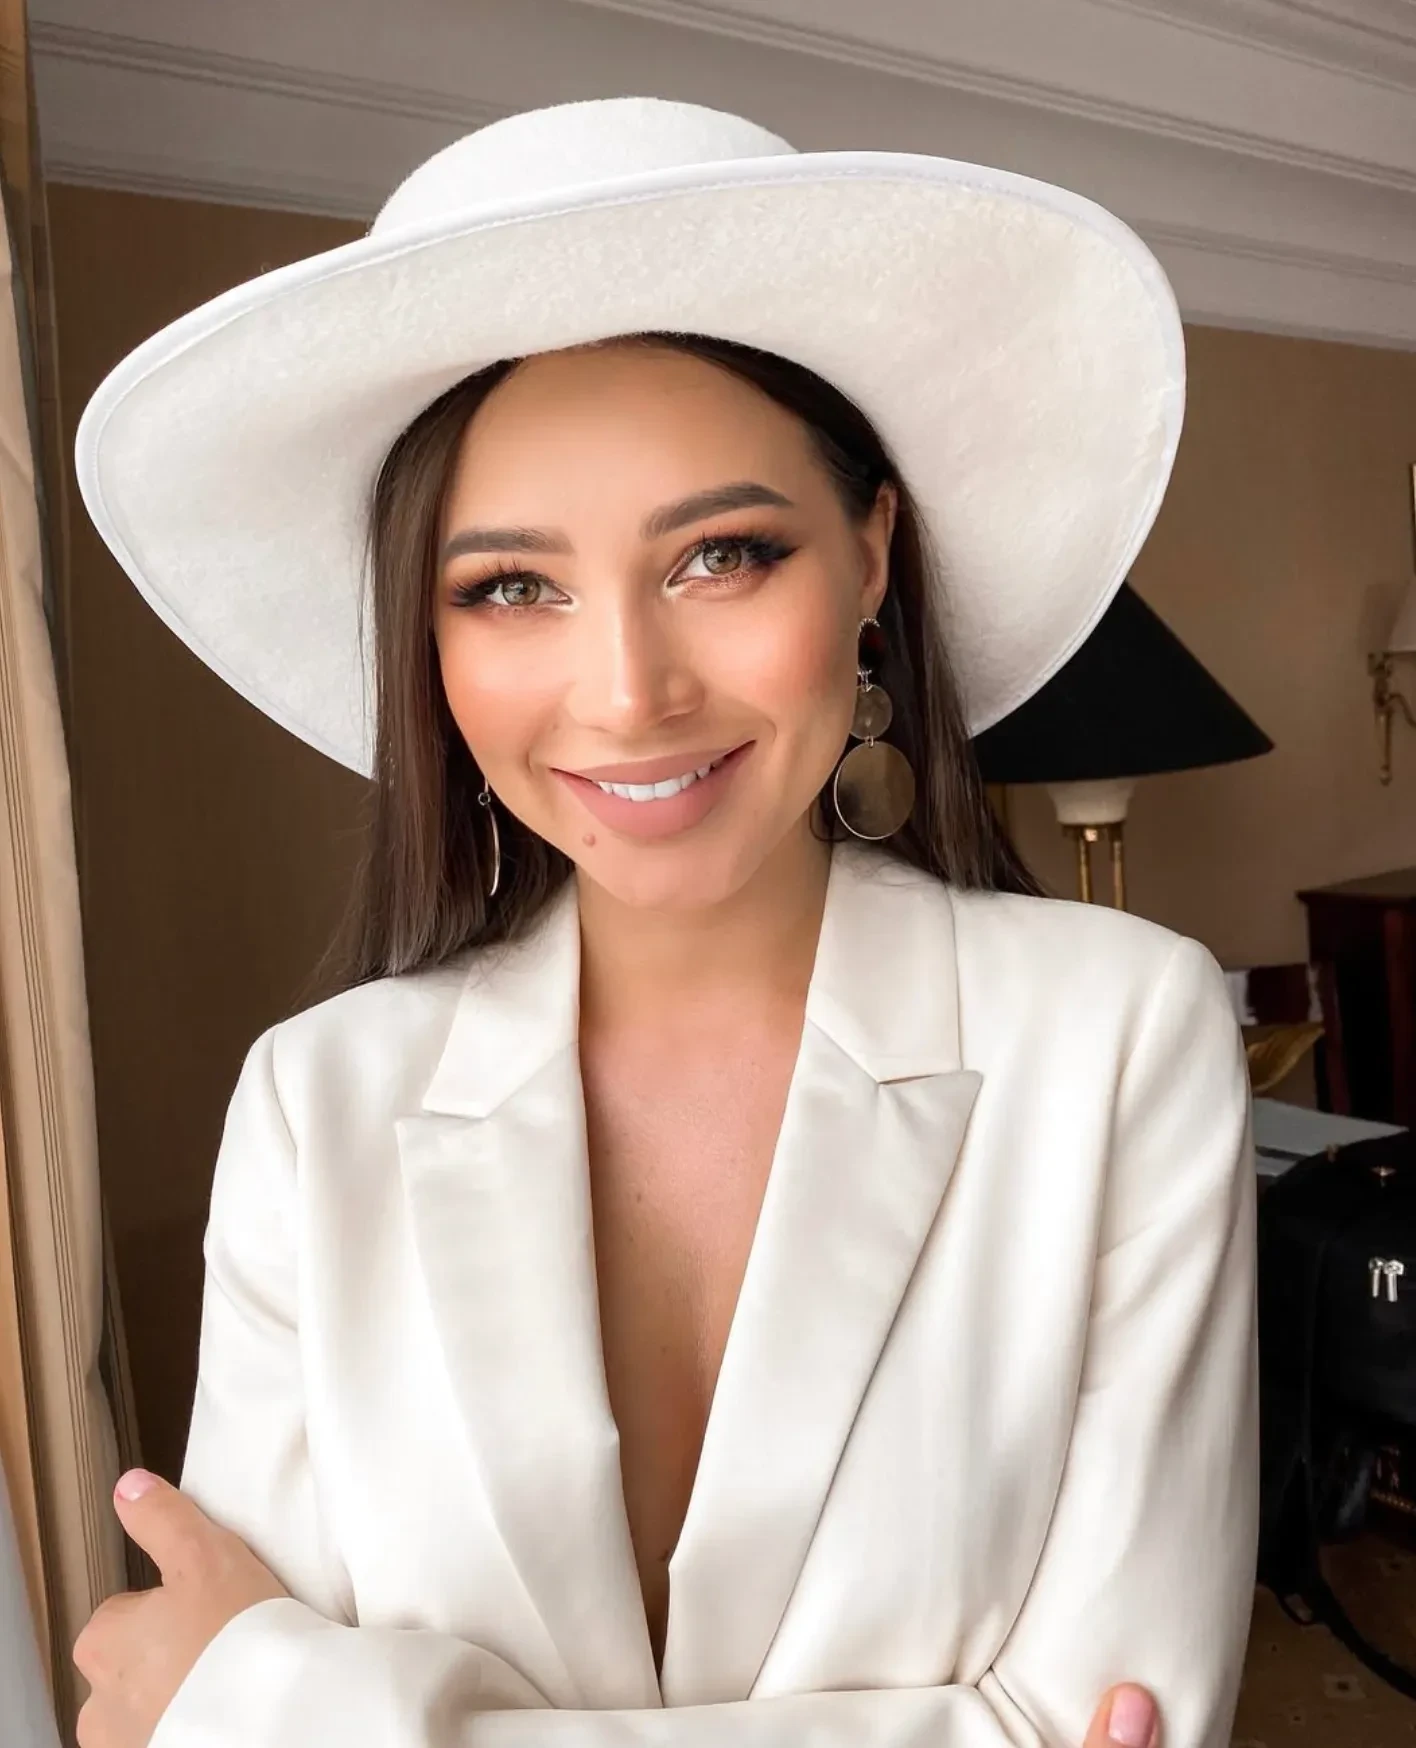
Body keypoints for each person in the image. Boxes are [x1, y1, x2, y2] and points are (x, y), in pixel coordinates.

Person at [69, 97, 1257, 1748]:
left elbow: (1119, 1714)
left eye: (721, 557)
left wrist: (291, 1705)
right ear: (430, 641)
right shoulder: (314, 1103)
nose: (629, 692)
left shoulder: (1120, 1039)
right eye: (512, 586)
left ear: (870, 559)